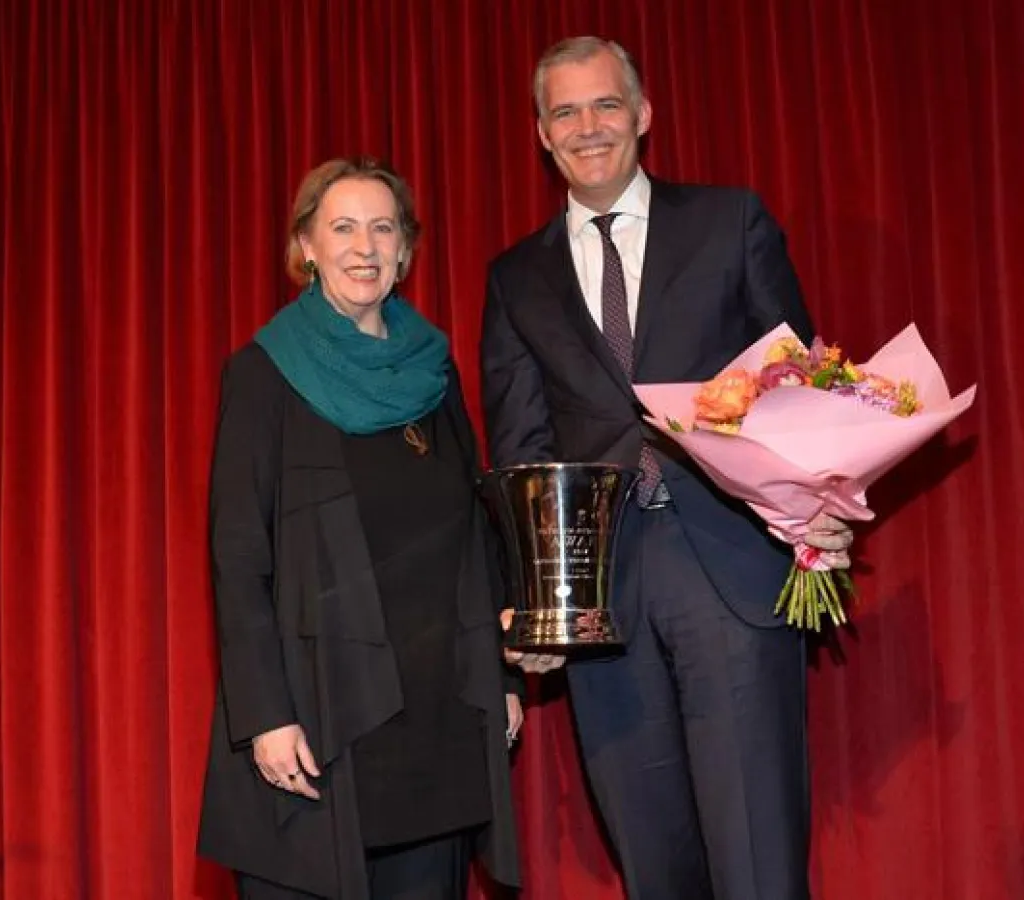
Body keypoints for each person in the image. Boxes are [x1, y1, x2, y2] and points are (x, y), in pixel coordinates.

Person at [480, 36, 853, 900]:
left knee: (758, 860)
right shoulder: (514, 277)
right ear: (541, 134)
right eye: (564, 112)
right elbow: (520, 447)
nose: (588, 127)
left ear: (642, 115)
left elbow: (800, 381)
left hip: (731, 569)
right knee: (655, 866)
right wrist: (537, 601)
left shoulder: (730, 222)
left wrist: (822, 501)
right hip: (602, 601)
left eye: (605, 104)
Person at [198, 157, 522, 900]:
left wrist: (497, 676)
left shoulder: (434, 373)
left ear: (406, 249)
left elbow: (478, 537)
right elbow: (238, 555)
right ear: (304, 245)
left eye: (383, 227)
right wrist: (264, 718)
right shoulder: (262, 374)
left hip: (436, 717)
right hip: (320, 720)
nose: (364, 246)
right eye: (341, 227)